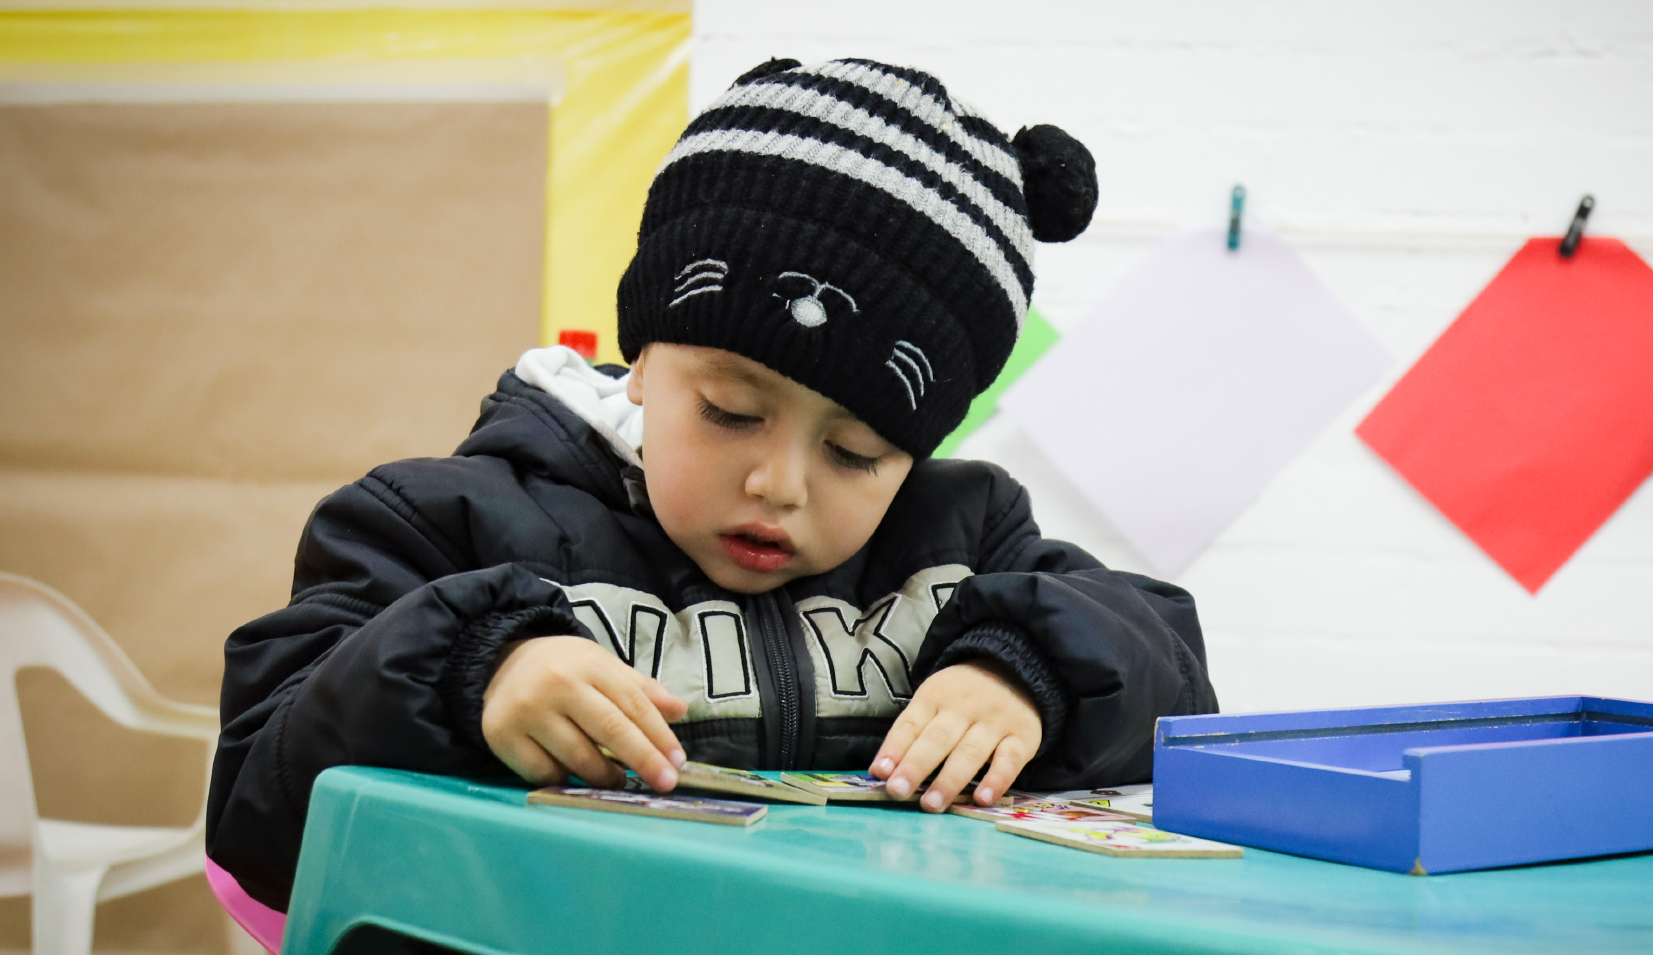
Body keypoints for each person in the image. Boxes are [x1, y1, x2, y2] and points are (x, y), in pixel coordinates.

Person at [206, 56, 1218, 909]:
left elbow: (1172, 676)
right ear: (641, 360)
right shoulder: (441, 521)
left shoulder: (966, 535)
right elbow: (256, 802)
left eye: (857, 451)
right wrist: (471, 672)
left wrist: (1021, 673)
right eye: (732, 411)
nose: (779, 482)